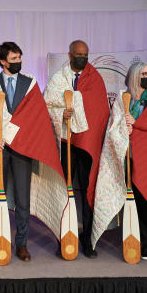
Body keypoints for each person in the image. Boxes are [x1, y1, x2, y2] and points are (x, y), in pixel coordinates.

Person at [0, 41, 65, 263]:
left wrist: (12, 135)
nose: (18, 62)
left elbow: (35, 118)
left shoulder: (30, 83)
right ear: (3, 61)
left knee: (23, 199)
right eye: (13, 59)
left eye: (19, 58)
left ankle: (21, 244)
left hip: (22, 149)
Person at [91, 62, 147, 261]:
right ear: (134, 76)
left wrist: (137, 124)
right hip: (128, 157)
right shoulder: (123, 98)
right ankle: (133, 241)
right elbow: (113, 126)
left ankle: (145, 243)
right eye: (144, 73)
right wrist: (123, 124)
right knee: (134, 201)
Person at [43, 40, 110, 258]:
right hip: (65, 142)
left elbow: (100, 110)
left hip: (87, 144)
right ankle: (65, 236)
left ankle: (88, 238)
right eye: (78, 54)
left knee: (88, 189)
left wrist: (77, 106)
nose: (82, 57)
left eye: (86, 54)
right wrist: (61, 113)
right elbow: (47, 106)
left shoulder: (95, 78)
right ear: (70, 55)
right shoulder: (58, 78)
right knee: (64, 190)